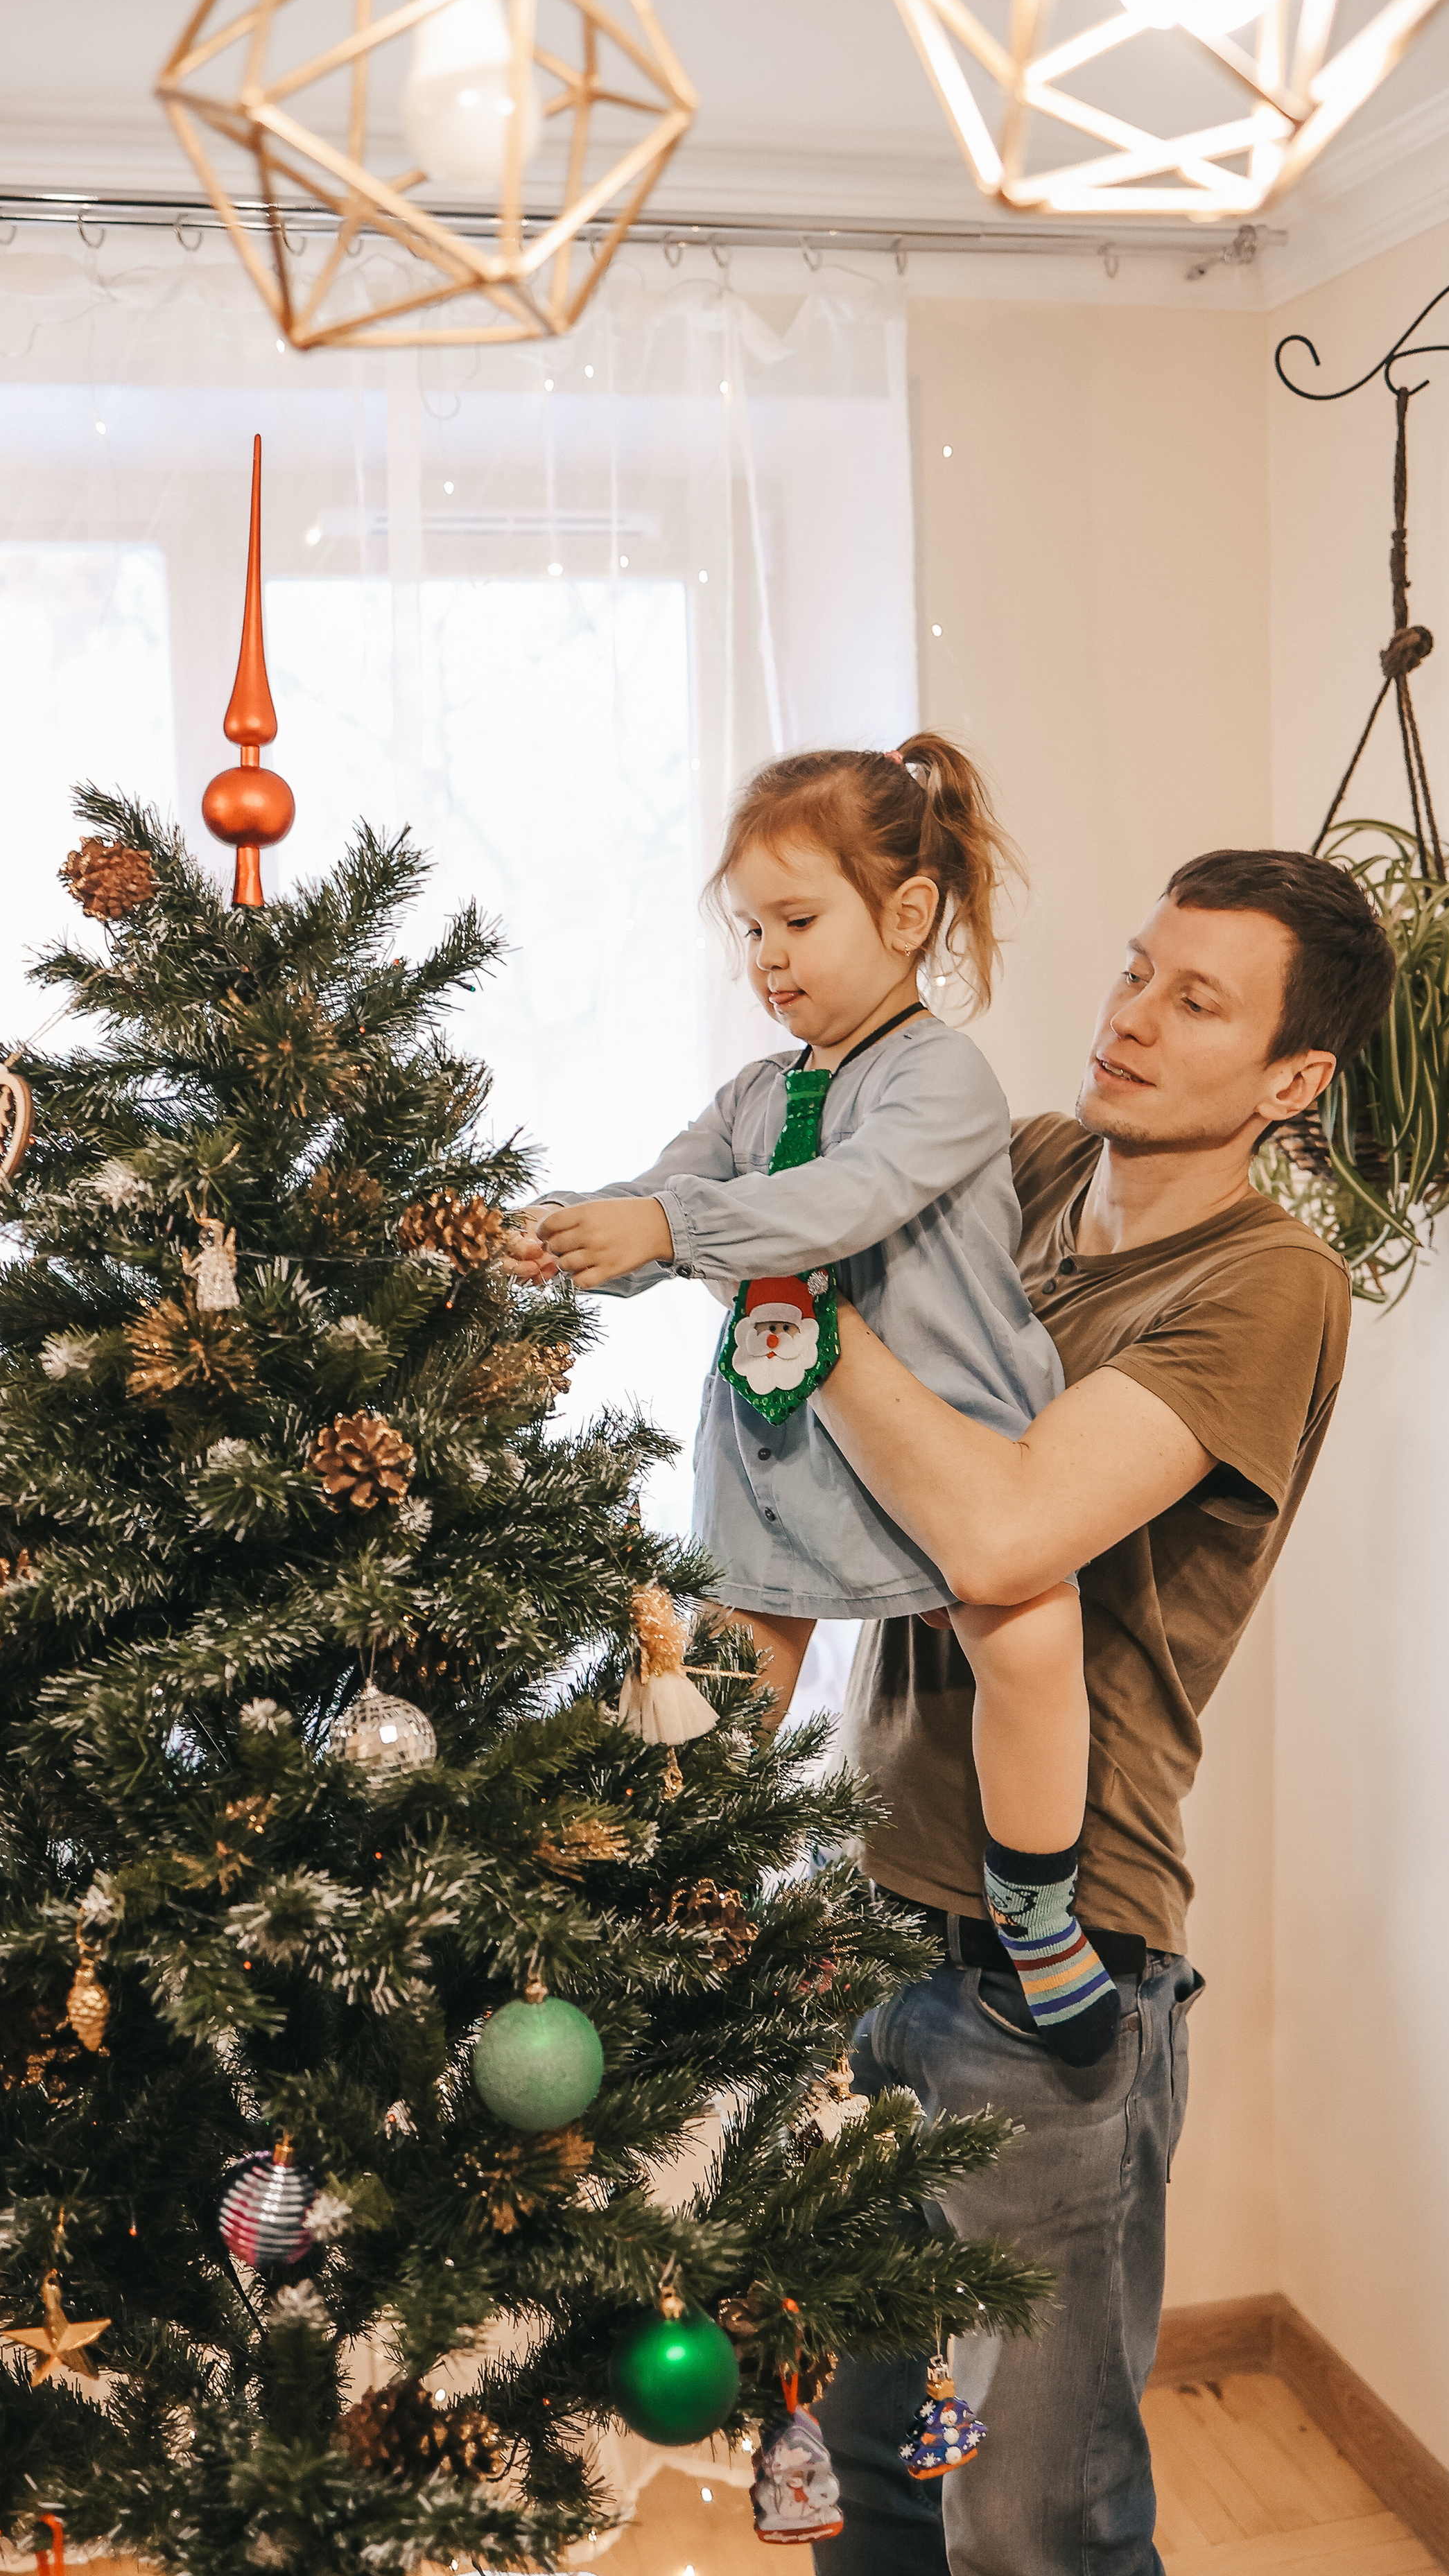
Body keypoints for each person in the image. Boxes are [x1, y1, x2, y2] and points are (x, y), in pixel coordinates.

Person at [799, 847, 1398, 2576]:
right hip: (877, 1908)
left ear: (1293, 1082)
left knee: (1028, 2519)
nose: (1127, 1014)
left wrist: (802, 1318)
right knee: (878, 2473)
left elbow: (999, 1529)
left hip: (1047, 1976)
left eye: (1193, 1000)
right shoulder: (1046, 1168)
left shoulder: (1267, 1286)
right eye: (1136, 969)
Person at [505, 738, 1118, 2061]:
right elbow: (667, 1198)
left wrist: (665, 1227)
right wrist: (566, 1236)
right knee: (720, 1686)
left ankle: (1035, 1904)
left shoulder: (938, 1077)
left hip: (940, 1442)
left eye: (797, 920)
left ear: (905, 917)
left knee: (1028, 1634)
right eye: (750, 931)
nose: (769, 958)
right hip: (782, 1451)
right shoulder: (753, 1095)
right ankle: (663, 1901)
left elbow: (838, 1201)